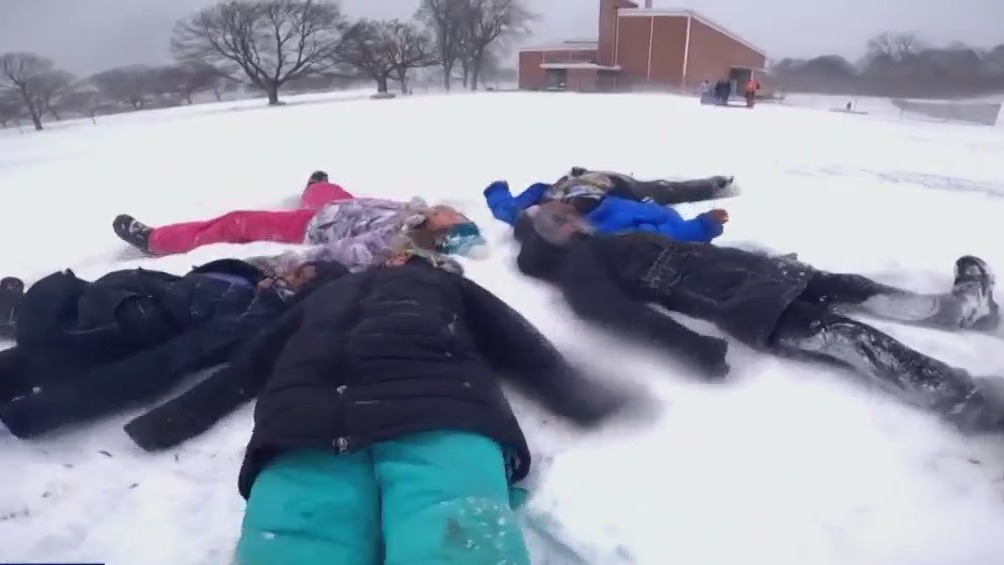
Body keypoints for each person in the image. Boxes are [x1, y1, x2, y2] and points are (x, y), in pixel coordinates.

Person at [129, 244, 637, 565]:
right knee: (297, 543)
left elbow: (514, 339)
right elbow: (253, 361)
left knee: (446, 540)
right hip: (316, 422)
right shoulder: (321, 298)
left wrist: (577, 396)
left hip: (431, 408)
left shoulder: (446, 286)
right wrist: (175, 419)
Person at [510, 202, 1004, 432]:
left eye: (566, 212)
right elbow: (614, 315)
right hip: (748, 305)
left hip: (766, 274)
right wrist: (693, 349)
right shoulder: (578, 268)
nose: (570, 218)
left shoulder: (607, 242)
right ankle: (964, 400)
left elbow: (692, 251)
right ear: (541, 239)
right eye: (556, 221)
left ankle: (958, 310)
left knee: (859, 289)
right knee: (847, 336)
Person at [0, 258, 346, 439]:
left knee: (30, 359)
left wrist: (43, 410)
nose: (290, 272)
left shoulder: (254, 317)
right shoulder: (251, 282)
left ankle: (15, 313)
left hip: (112, 331)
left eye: (301, 276)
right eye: (297, 268)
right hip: (109, 298)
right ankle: (14, 311)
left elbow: (171, 359)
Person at [112, 170, 354, 256]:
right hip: (359, 213)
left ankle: (155, 240)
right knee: (329, 197)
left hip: (334, 227)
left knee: (237, 224)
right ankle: (317, 188)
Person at [485, 179, 727, 243]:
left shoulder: (601, 234)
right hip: (608, 188)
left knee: (511, 211)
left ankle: (716, 185)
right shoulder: (630, 217)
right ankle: (716, 185)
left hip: (572, 191)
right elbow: (684, 232)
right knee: (662, 190)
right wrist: (708, 223)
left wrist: (496, 191)